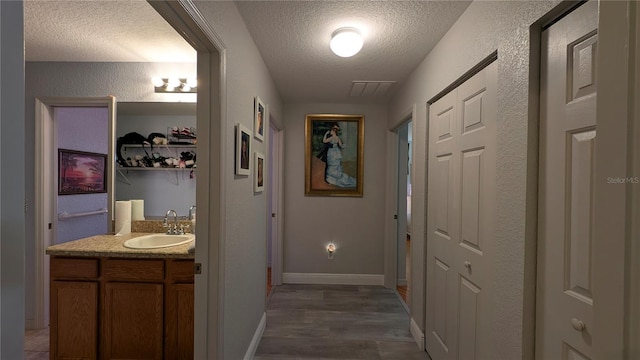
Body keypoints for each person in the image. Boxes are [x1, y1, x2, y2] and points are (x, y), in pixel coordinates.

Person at [321, 122, 356, 187]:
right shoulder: (337, 138)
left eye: (332, 131)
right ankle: (335, 177)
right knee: (335, 165)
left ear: (333, 132)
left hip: (331, 152)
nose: (331, 132)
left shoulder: (332, 138)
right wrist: (344, 145)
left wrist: (326, 134)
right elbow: (341, 145)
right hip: (336, 151)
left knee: (332, 164)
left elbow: (324, 141)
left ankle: (331, 179)